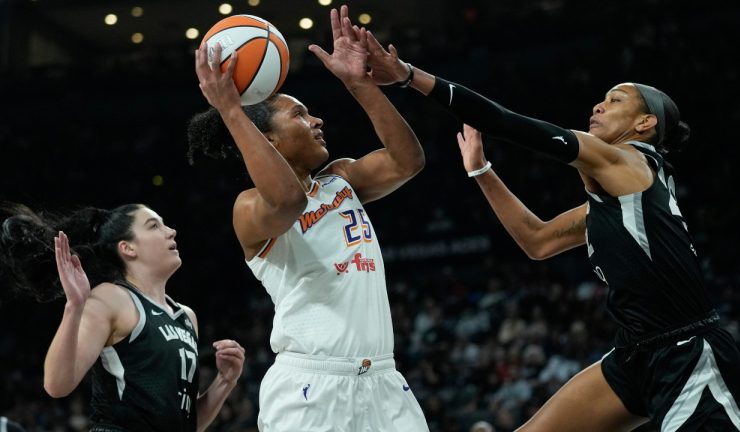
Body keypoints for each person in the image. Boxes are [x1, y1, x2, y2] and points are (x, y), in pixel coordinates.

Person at [358, 24, 740, 432]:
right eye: (600, 99)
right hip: (636, 352)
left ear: (645, 123)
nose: (599, 106)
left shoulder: (629, 162)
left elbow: (505, 121)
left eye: (615, 100)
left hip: (688, 348)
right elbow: (538, 242)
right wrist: (480, 170)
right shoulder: (618, 199)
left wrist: (408, 75)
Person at [187, 5, 429, 432]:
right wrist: (232, 111)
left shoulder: (342, 179)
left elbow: (407, 161)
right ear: (269, 138)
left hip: (384, 381)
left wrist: (359, 84)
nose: (317, 120)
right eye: (298, 114)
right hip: (311, 385)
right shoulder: (248, 207)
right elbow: (287, 203)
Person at [0, 203, 245, 431]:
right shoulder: (111, 298)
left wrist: (224, 381)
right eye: (154, 226)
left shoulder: (186, 317)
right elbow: (56, 384)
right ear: (127, 248)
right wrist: (74, 306)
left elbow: (185, 424)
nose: (171, 231)